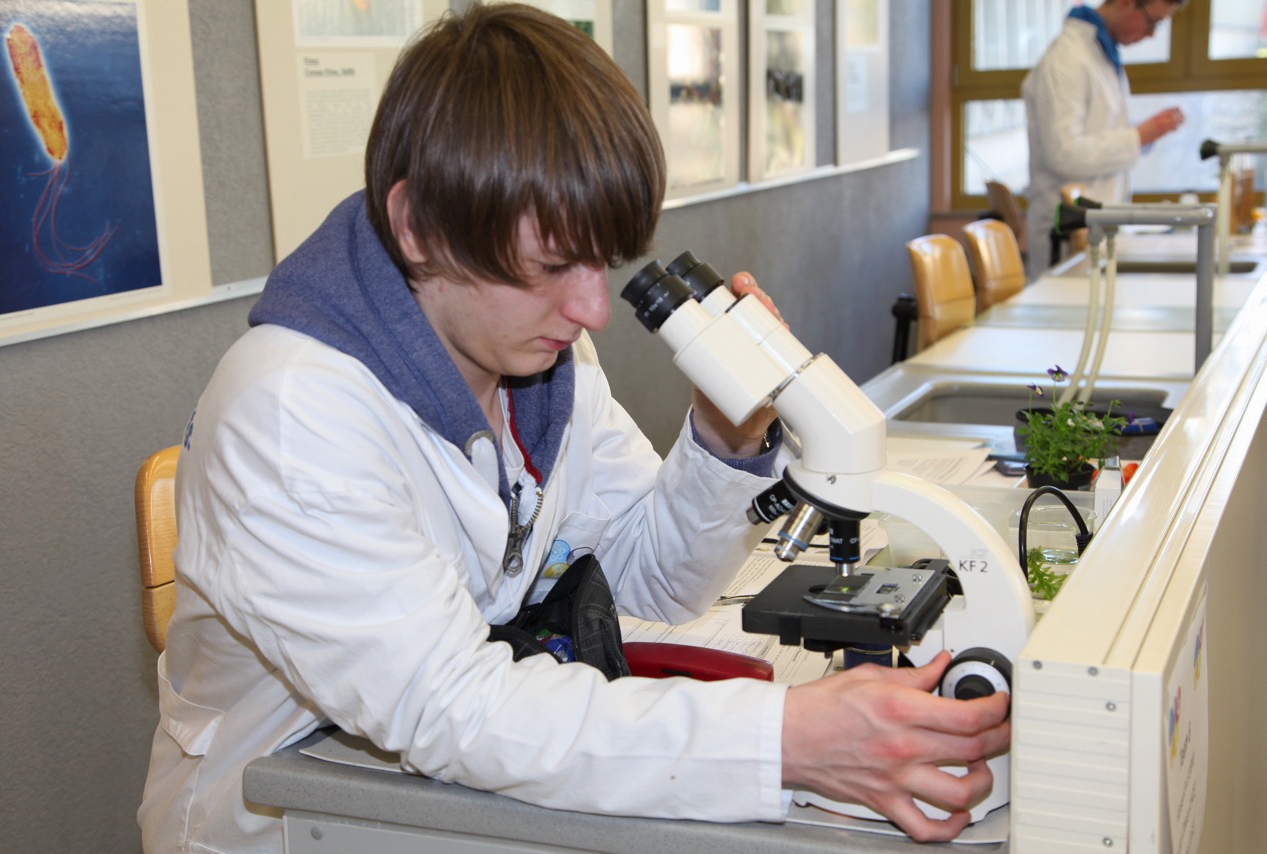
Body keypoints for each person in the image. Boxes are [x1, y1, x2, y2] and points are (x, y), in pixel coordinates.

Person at [138, 5, 1009, 851]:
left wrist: (728, 435)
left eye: (602, 261)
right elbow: (452, 708)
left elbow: (653, 576)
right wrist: (788, 739)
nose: (592, 308)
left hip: (450, 789)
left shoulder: (536, 359)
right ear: (417, 228)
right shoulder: (293, 414)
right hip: (289, 816)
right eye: (553, 265)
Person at [1022, 0, 1189, 277]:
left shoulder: (1100, 54)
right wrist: (1137, 137)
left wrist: (1142, 136)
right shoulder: (1066, 59)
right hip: (1066, 234)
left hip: (1095, 232)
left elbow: (1100, 133)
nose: (1151, 35)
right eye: (1152, 22)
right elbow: (1063, 154)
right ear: (1125, 2)